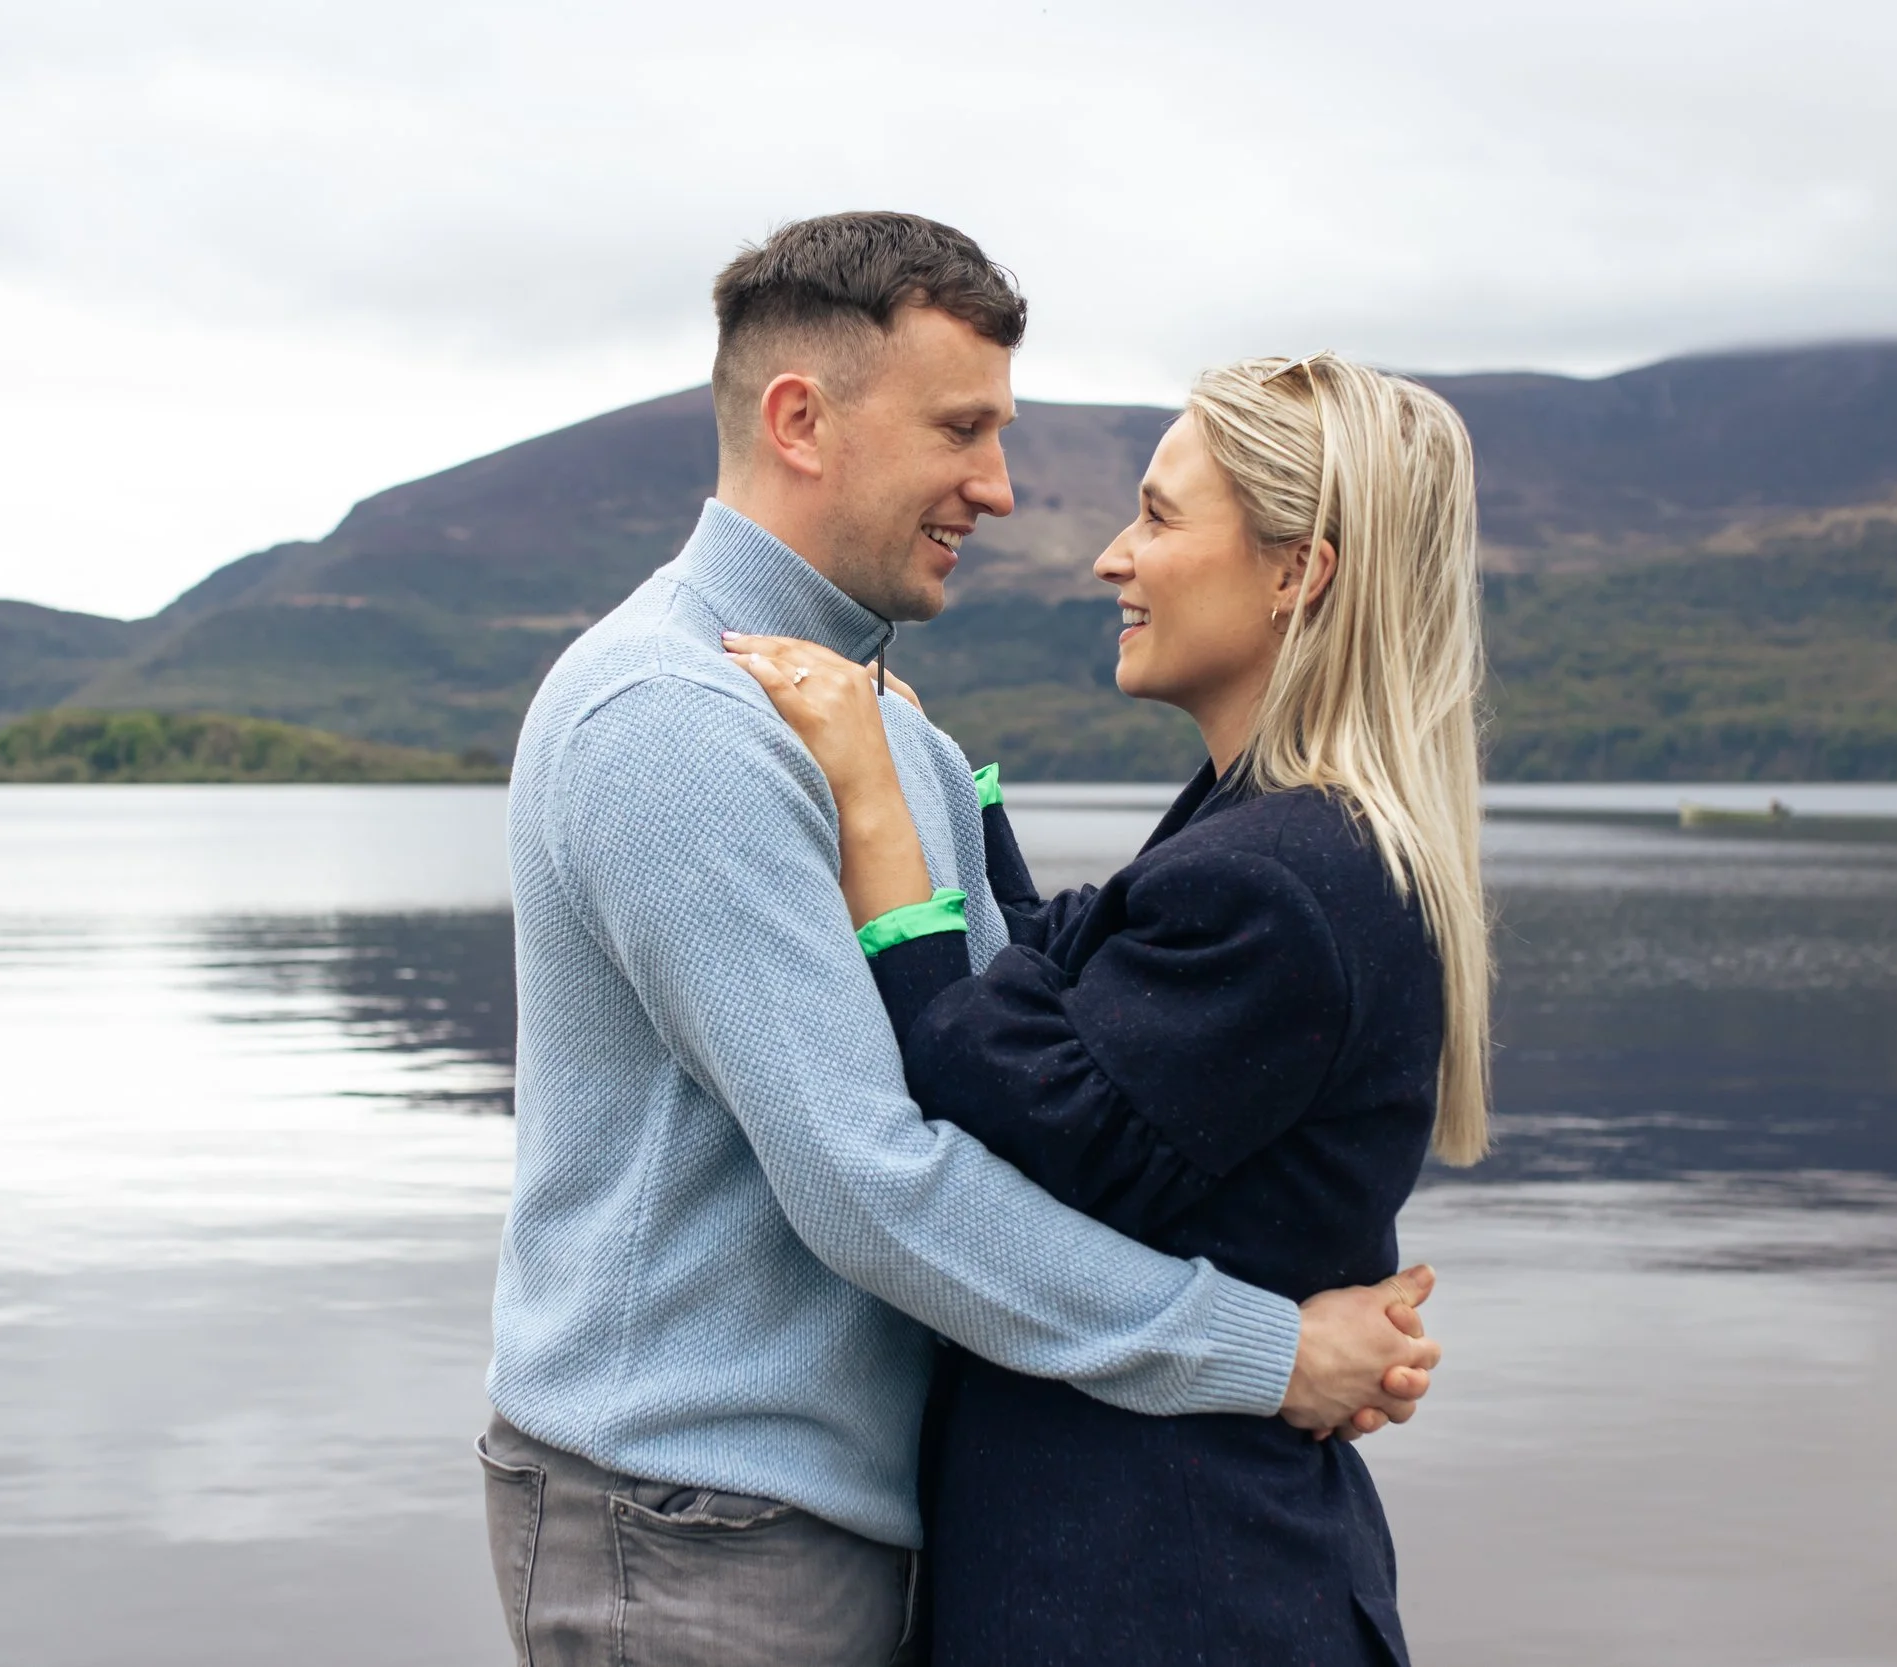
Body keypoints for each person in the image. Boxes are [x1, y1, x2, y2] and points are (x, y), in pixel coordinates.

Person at [482, 213, 1442, 1667]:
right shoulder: (672, 722)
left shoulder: (902, 751)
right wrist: (1271, 1349)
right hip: (688, 1515)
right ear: (803, 421)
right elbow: (878, 1186)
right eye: (961, 429)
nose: (1000, 488)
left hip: (838, 1510)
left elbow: (1015, 1099)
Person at [728, 349, 1490, 1664]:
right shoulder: (1268, 836)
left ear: (1297, 573)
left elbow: (1003, 1102)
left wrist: (868, 801)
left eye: (1159, 516)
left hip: (1165, 1588)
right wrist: (941, 781)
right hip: (1194, 1566)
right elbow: (1067, 970)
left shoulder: (1282, 880)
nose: (1111, 560)